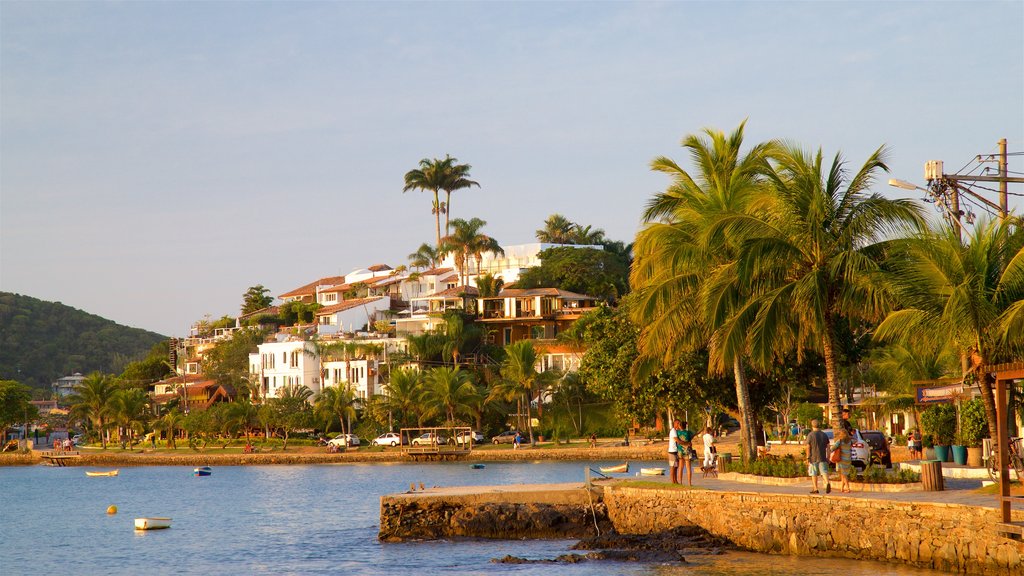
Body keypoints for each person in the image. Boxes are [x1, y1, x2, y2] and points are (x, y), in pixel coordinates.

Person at [806, 419, 831, 494]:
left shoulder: (810, 435)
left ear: (812, 425)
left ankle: (815, 488)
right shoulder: (824, 435)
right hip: (822, 457)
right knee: (824, 472)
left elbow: (808, 447)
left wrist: (807, 457)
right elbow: (828, 447)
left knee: (814, 473)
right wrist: (828, 457)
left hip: (813, 458)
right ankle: (827, 483)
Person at [832, 427, 854, 493]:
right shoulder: (850, 441)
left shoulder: (840, 441)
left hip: (841, 459)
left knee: (844, 474)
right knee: (843, 474)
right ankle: (841, 488)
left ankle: (848, 488)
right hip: (848, 459)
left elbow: (833, 448)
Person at [677, 420, 695, 486]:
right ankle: (689, 483)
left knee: (680, 467)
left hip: (680, 451)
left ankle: (680, 482)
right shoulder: (688, 432)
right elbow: (693, 435)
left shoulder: (677, 432)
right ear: (685, 426)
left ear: (679, 426)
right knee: (688, 467)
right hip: (687, 451)